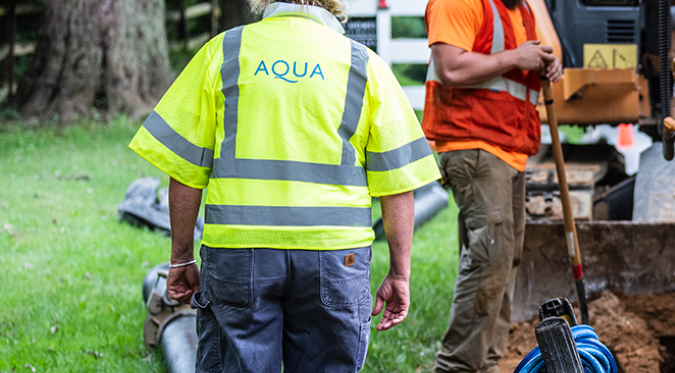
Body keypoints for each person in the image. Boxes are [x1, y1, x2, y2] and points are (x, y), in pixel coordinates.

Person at [128, 0, 441, 371]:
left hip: (239, 252)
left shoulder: (224, 51)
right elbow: (398, 182)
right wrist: (399, 273)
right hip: (336, 255)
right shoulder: (364, 65)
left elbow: (183, 168)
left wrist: (181, 257)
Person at [421, 0, 562, 371]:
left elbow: (516, 68)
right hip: (475, 145)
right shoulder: (459, 3)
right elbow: (450, 67)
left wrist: (544, 66)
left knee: (503, 262)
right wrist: (516, 57)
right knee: (488, 261)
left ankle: (487, 365)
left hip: (509, 149)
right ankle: (457, 367)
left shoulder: (521, 10)